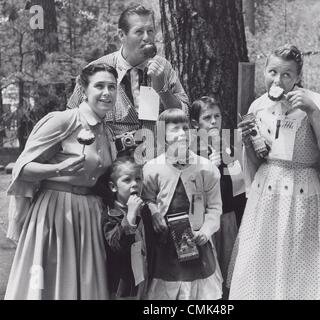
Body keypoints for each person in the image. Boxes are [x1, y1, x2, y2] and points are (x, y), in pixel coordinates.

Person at [228, 45, 320, 300]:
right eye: (272, 72)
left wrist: (312, 111)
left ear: (298, 77)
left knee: (300, 254)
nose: (277, 80)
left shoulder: (314, 103)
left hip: (302, 189)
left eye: (287, 74)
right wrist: (248, 142)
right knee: (263, 253)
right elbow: (255, 156)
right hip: (267, 189)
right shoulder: (257, 106)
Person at [5, 63, 118, 299]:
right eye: (100, 86)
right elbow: (22, 168)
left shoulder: (106, 132)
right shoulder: (64, 120)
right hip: (55, 214)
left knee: (87, 284)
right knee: (54, 282)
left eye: (112, 87)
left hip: (89, 215)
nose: (107, 92)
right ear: (83, 89)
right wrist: (58, 168)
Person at [67, 2, 189, 155]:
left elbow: (185, 115)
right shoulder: (95, 70)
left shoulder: (163, 67)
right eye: (139, 32)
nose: (147, 38)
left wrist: (162, 89)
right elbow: (71, 118)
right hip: (114, 167)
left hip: (158, 162)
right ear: (121, 35)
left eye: (150, 31)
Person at [142, 108, 223, 300]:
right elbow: (147, 198)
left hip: (197, 242)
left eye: (185, 128)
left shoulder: (207, 168)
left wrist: (205, 231)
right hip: (166, 247)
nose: (181, 134)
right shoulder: (152, 168)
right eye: (174, 129)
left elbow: (215, 208)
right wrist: (154, 212)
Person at [190, 96, 246, 298]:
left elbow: (239, 189)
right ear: (195, 123)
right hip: (204, 221)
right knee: (207, 270)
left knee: (228, 265)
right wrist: (210, 168)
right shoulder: (192, 152)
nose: (214, 121)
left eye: (217, 116)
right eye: (207, 117)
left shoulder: (230, 146)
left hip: (228, 217)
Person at [102, 156, 154, 299]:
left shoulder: (144, 211)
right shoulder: (110, 215)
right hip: (124, 286)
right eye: (127, 180)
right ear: (113, 187)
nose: (135, 184)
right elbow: (116, 245)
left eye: (138, 179)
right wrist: (130, 215)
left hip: (145, 277)